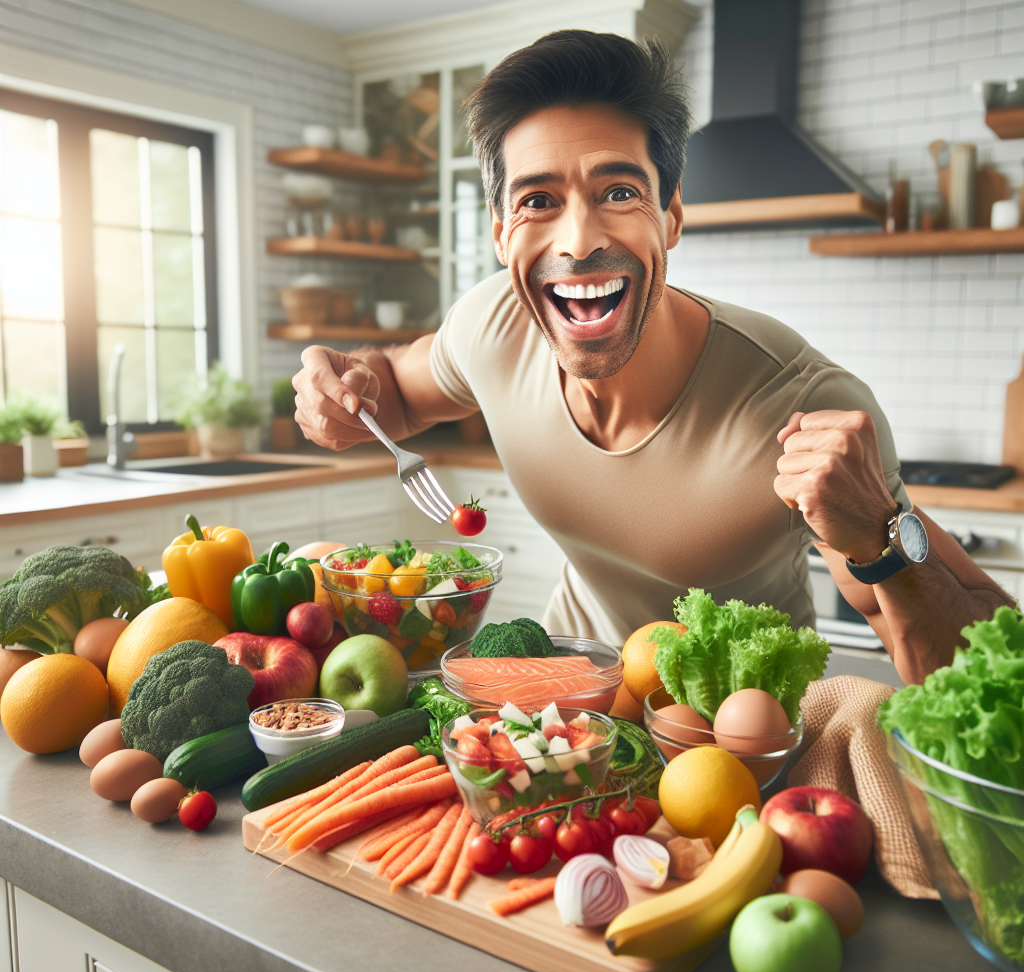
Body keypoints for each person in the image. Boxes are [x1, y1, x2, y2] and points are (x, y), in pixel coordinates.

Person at [293, 30, 1012, 685]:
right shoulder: (491, 323)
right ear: (501, 231)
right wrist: (346, 384)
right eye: (539, 200)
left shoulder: (802, 404)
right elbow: (394, 388)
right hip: (571, 713)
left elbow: (981, 675)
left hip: (745, 752)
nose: (577, 241)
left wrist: (879, 536)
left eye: (618, 192)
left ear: (670, 217)